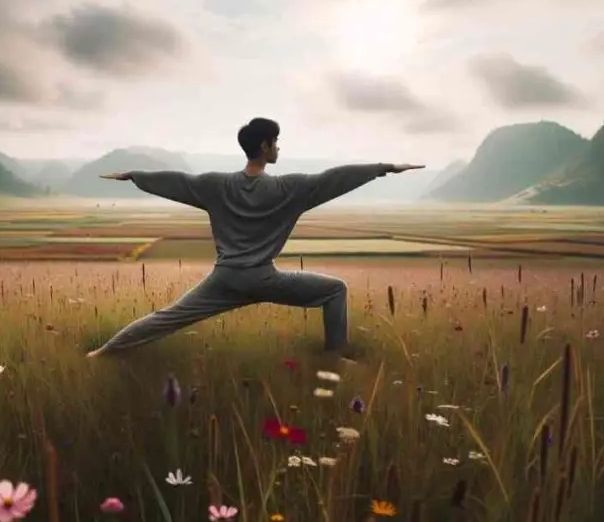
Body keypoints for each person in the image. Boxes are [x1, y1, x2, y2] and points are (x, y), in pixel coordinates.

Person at [86, 117, 423, 359]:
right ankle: (336, 356)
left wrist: (136, 176)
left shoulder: (216, 184)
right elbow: (333, 178)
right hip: (264, 278)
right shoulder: (288, 188)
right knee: (335, 289)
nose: (278, 147)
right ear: (264, 147)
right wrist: (383, 167)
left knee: (166, 318)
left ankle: (102, 354)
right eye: (275, 142)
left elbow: (179, 181)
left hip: (225, 278)